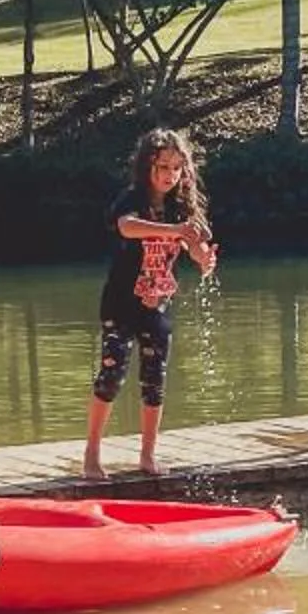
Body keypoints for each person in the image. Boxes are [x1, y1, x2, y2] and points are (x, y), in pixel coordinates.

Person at [84, 126, 216, 483]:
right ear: (147, 168)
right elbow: (126, 228)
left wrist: (204, 259)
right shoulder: (132, 199)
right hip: (120, 305)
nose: (169, 176)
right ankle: (92, 455)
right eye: (162, 168)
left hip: (156, 306)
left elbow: (197, 246)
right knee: (111, 375)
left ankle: (147, 455)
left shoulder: (182, 206)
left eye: (176, 168)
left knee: (154, 379)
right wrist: (174, 232)